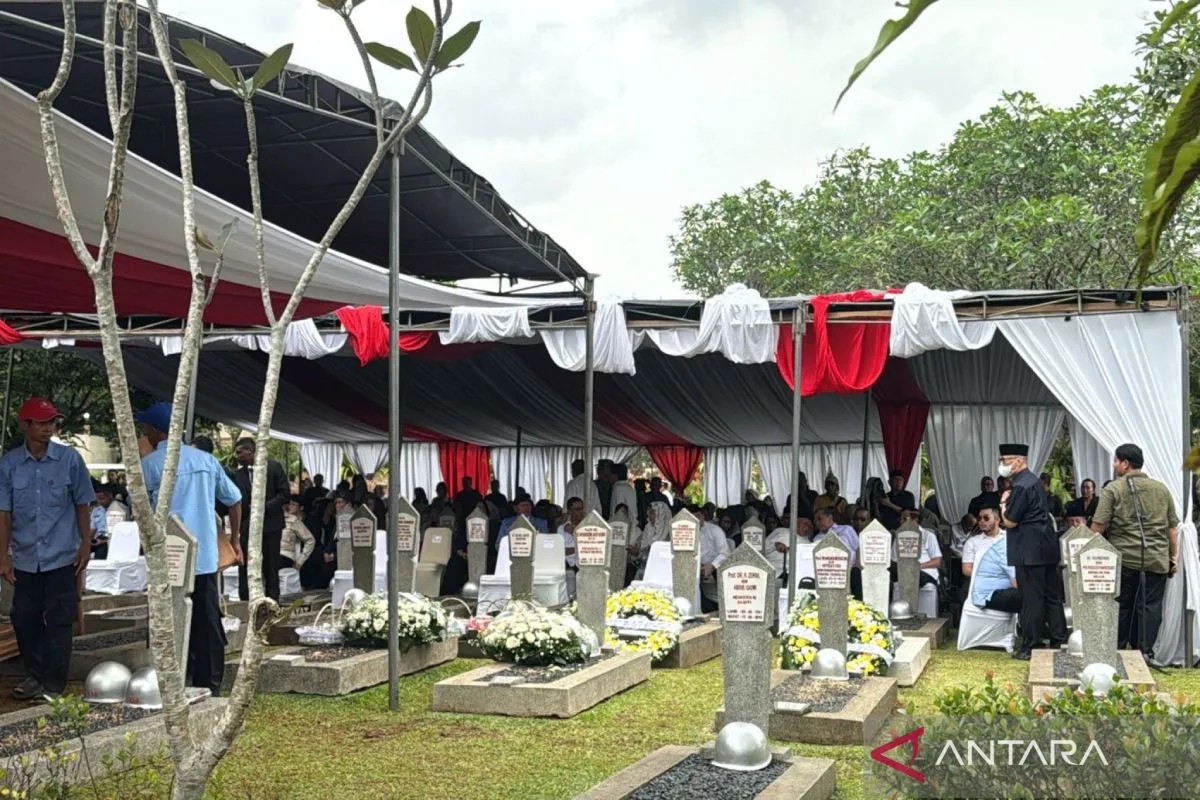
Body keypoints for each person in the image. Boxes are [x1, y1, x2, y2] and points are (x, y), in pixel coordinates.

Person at [137, 402, 242, 696]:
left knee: (169, 621)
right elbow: (234, 498)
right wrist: (235, 541)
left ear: (155, 430)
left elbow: (141, 512)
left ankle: (175, 680)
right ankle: (210, 683)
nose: (144, 432)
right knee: (207, 622)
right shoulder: (207, 461)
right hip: (204, 556)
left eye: (146, 427)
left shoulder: (149, 466)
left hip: (168, 558)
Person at [0, 398, 94, 700]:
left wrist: (85, 544)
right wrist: (2, 555)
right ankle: (34, 674)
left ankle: (54, 683)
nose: (48, 428)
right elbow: (4, 513)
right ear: (25, 425)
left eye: (52, 422)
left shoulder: (69, 460)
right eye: (41, 422)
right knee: (24, 618)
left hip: (62, 555)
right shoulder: (9, 464)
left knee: (60, 618)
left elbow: (82, 504)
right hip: (25, 557)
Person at [1090, 443, 1178, 659]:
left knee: (1122, 605)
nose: (1114, 465)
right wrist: (1172, 557)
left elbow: (1098, 527)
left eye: (1116, 461)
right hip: (1157, 558)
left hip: (1124, 559)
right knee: (1150, 607)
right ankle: (1144, 653)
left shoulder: (1113, 489)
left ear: (1125, 464)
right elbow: (1172, 528)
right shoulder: (1162, 489)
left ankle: (1118, 651)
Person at [998, 443, 1066, 660]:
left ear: (1019, 461)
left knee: (1031, 598)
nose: (1002, 464)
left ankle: (1031, 644)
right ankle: (1058, 637)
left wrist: (1002, 505)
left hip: (1028, 549)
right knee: (1052, 596)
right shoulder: (1035, 481)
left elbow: (1009, 521)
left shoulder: (1020, 486)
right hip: (1046, 545)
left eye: (1005, 460)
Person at [231, 437, 291, 602]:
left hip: (271, 526)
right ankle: (246, 601)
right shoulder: (238, 474)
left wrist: (262, 507)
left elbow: (285, 494)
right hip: (247, 527)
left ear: (250, 451)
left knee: (271, 566)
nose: (236, 456)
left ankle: (272, 603)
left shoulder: (273, 467)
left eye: (239, 452)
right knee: (245, 566)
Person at [813, 507, 862, 599]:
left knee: (857, 575)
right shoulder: (817, 538)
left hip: (851, 569)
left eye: (820, 519)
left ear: (830, 518)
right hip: (829, 572)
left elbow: (858, 548)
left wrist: (858, 565)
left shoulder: (846, 529)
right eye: (815, 520)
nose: (817, 522)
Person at [970, 526, 1020, 614]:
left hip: (1001, 590)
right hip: (988, 595)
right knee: (1031, 597)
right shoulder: (1006, 548)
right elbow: (1016, 582)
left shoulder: (1013, 544)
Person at [280, 495, 316, 573]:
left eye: (293, 504)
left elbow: (310, 540)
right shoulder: (269, 519)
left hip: (286, 556)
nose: (291, 507)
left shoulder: (293, 520)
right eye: (290, 504)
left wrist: (300, 561)